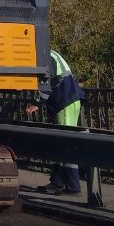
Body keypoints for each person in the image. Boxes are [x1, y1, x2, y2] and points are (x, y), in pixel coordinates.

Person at [25, 48, 86, 195]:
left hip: (65, 101)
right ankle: (58, 182)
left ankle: (72, 185)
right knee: (63, 143)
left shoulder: (45, 56)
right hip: (68, 100)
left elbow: (47, 81)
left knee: (66, 143)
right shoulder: (49, 53)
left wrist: (38, 103)